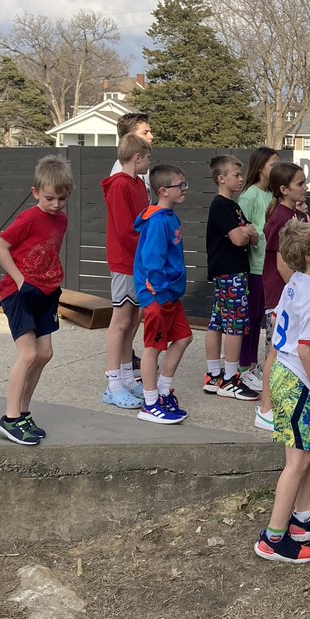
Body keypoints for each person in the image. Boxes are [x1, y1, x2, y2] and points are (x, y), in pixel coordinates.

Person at [255, 219, 310, 564]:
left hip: (288, 376)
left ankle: (303, 518)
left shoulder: (294, 282)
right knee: (298, 460)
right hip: (298, 382)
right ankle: (274, 538)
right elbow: (306, 348)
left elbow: (278, 323)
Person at [0, 155, 73, 445]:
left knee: (44, 354)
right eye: (50, 198)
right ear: (36, 192)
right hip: (20, 293)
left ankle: (24, 412)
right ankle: (10, 418)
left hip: (47, 292)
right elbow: (0, 248)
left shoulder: (61, 219)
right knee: (27, 355)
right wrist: (20, 280)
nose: (55, 204)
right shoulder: (28, 218)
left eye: (61, 198)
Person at [133, 164, 194, 425]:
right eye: (180, 185)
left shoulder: (170, 217)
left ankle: (164, 389)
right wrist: (156, 291)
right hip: (158, 296)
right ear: (163, 191)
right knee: (153, 348)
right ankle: (149, 403)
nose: (185, 189)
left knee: (184, 338)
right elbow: (152, 260)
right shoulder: (158, 222)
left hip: (170, 294)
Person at [253, 162, 310, 431]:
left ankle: (277, 403)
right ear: (284, 189)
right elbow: (282, 263)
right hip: (281, 296)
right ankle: (266, 408)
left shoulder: (293, 214)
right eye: (300, 183)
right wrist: (299, 292)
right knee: (275, 353)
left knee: (283, 352)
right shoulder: (281, 219)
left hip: (288, 294)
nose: (305, 187)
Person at [100, 133, 153, 410]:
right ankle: (113, 384)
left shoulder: (136, 184)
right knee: (121, 320)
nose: (149, 163)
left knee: (132, 319)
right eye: (147, 158)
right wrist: (148, 249)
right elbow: (125, 229)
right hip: (125, 261)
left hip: (136, 261)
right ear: (137, 157)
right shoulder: (120, 185)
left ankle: (126, 378)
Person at [204, 155, 260, 401]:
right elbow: (240, 238)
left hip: (231, 271)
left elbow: (254, 235)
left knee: (218, 321)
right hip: (230, 273)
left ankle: (214, 375)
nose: (240, 179)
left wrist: (246, 232)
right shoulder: (220, 205)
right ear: (221, 178)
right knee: (235, 324)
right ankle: (229, 378)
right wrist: (244, 232)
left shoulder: (234, 206)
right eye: (236, 175)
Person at [237, 146, 281, 390]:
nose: (276, 169)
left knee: (264, 319)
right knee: (251, 318)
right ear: (260, 167)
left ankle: (253, 364)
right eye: (272, 165)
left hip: (271, 267)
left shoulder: (272, 196)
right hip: (255, 266)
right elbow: (243, 230)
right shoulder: (250, 196)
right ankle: (245, 366)